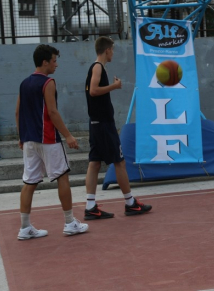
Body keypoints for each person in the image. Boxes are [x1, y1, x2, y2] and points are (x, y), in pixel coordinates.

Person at [15, 44, 88, 240]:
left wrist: (22, 136)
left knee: (29, 182)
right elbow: (53, 112)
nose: (56, 65)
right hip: (48, 139)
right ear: (45, 62)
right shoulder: (48, 83)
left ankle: (24, 227)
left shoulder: (24, 83)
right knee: (62, 177)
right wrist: (68, 135)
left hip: (29, 140)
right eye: (54, 61)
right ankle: (70, 222)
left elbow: (17, 112)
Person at [84, 36, 152, 220]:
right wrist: (113, 86)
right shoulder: (97, 67)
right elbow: (93, 90)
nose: (113, 52)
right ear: (107, 50)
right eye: (112, 50)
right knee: (119, 162)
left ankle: (90, 206)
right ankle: (130, 203)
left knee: (95, 162)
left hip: (96, 123)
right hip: (103, 124)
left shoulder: (97, 67)